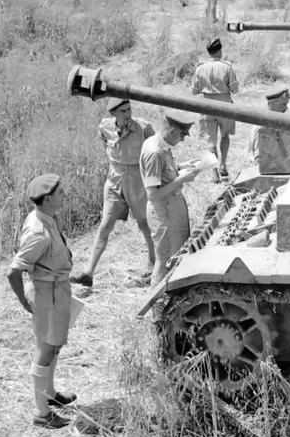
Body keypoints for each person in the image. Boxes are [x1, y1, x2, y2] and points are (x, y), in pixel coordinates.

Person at [7, 174, 76, 429]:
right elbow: (13, 271)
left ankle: (49, 393)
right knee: (45, 350)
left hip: (56, 291)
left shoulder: (46, 218)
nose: (64, 196)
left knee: (53, 345)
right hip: (48, 295)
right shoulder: (39, 233)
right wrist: (24, 301)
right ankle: (41, 412)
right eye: (60, 193)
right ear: (47, 199)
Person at [70, 98, 156, 295]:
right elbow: (105, 146)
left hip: (136, 179)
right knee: (105, 225)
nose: (128, 114)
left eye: (129, 109)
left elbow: (156, 150)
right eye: (123, 111)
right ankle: (88, 273)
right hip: (114, 179)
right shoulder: (105, 127)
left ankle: (153, 264)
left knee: (144, 223)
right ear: (114, 113)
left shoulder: (143, 128)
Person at [139, 111, 200, 287]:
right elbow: (153, 194)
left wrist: (182, 167)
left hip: (172, 207)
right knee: (165, 261)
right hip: (163, 212)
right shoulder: (154, 152)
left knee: (178, 257)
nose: (183, 139)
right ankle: (156, 299)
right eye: (182, 135)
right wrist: (182, 179)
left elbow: (163, 173)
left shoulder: (161, 146)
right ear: (173, 131)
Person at [191, 38, 239, 180]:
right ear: (220, 50)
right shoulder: (227, 67)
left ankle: (214, 173)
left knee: (210, 142)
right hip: (224, 105)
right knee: (225, 136)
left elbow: (194, 91)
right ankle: (223, 165)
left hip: (207, 105)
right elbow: (235, 89)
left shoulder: (200, 68)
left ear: (209, 52)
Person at [246, 85, 290, 164]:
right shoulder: (262, 126)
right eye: (283, 104)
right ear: (272, 104)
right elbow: (257, 157)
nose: (286, 108)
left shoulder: (281, 120)